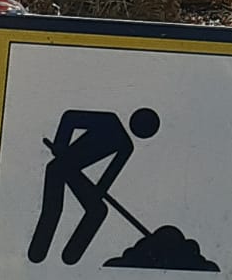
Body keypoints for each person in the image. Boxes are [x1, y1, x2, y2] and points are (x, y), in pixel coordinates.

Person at [28, 107, 160, 265]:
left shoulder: (126, 145)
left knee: (98, 210)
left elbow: (110, 173)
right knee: (53, 208)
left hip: (73, 172)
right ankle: (38, 251)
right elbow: (70, 118)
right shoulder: (110, 121)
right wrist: (61, 143)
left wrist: (99, 190)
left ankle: (71, 255)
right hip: (58, 168)